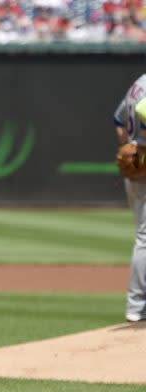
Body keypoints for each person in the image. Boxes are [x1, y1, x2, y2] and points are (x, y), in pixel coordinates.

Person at [114, 75, 146, 322]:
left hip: (136, 170)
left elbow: (118, 121)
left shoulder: (138, 84)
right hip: (144, 169)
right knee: (145, 239)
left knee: (143, 236)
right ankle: (136, 307)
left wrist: (128, 148)